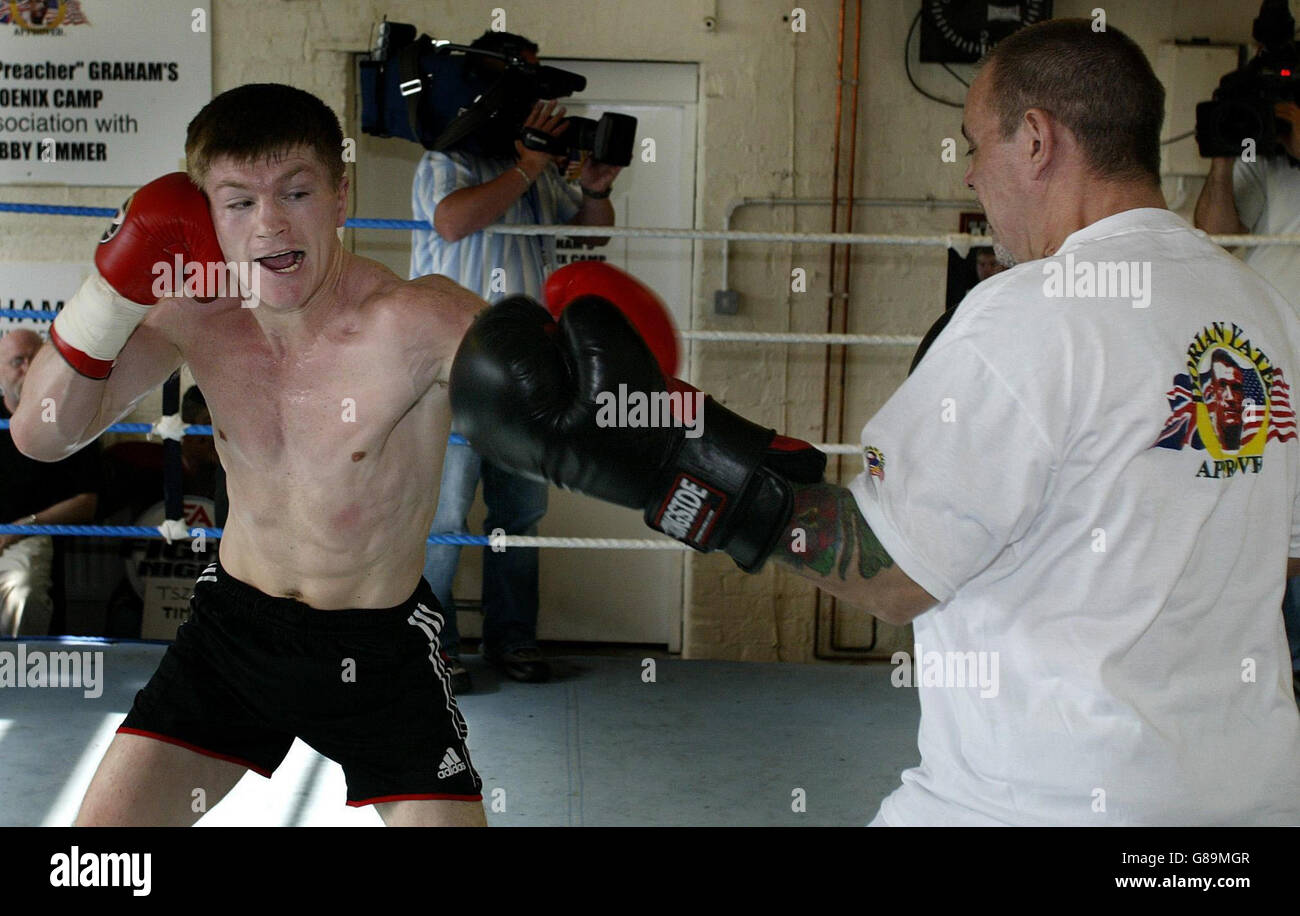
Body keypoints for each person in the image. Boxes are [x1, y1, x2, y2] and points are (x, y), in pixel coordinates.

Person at [451, 19, 1300, 825]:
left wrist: (665, 461)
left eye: (977, 144)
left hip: (1035, 804)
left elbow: (891, 575)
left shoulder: (1032, 315)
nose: (970, 175)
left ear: (1036, 140)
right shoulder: (1261, 310)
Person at [12, 83, 489, 826]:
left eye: (295, 191)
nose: (269, 223)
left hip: (380, 645)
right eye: (238, 202)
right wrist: (111, 290)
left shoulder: (420, 319)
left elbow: (558, 406)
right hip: (232, 635)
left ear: (340, 193)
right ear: (205, 214)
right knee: (97, 860)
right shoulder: (196, 316)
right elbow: (41, 434)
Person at [411, 30, 621, 689]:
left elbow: (589, 231)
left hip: (529, 375)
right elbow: (451, 223)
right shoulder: (446, 161)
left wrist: (592, 186)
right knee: (443, 517)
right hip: (450, 371)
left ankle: (513, 642)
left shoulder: (532, 176)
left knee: (520, 515)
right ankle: (431, 650)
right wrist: (528, 167)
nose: (540, 110)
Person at [1194, 90, 1300, 705]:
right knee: (1268, 541)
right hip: (1278, 393)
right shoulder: (1264, 163)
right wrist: (1221, 155)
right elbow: (1213, 240)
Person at [0, 329, 99, 636]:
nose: (27, 369)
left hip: (30, 535)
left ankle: (18, 678)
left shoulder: (69, 418)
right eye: (18, 360)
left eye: (34, 359)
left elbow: (86, 502)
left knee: (23, 590)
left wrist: (21, 528)